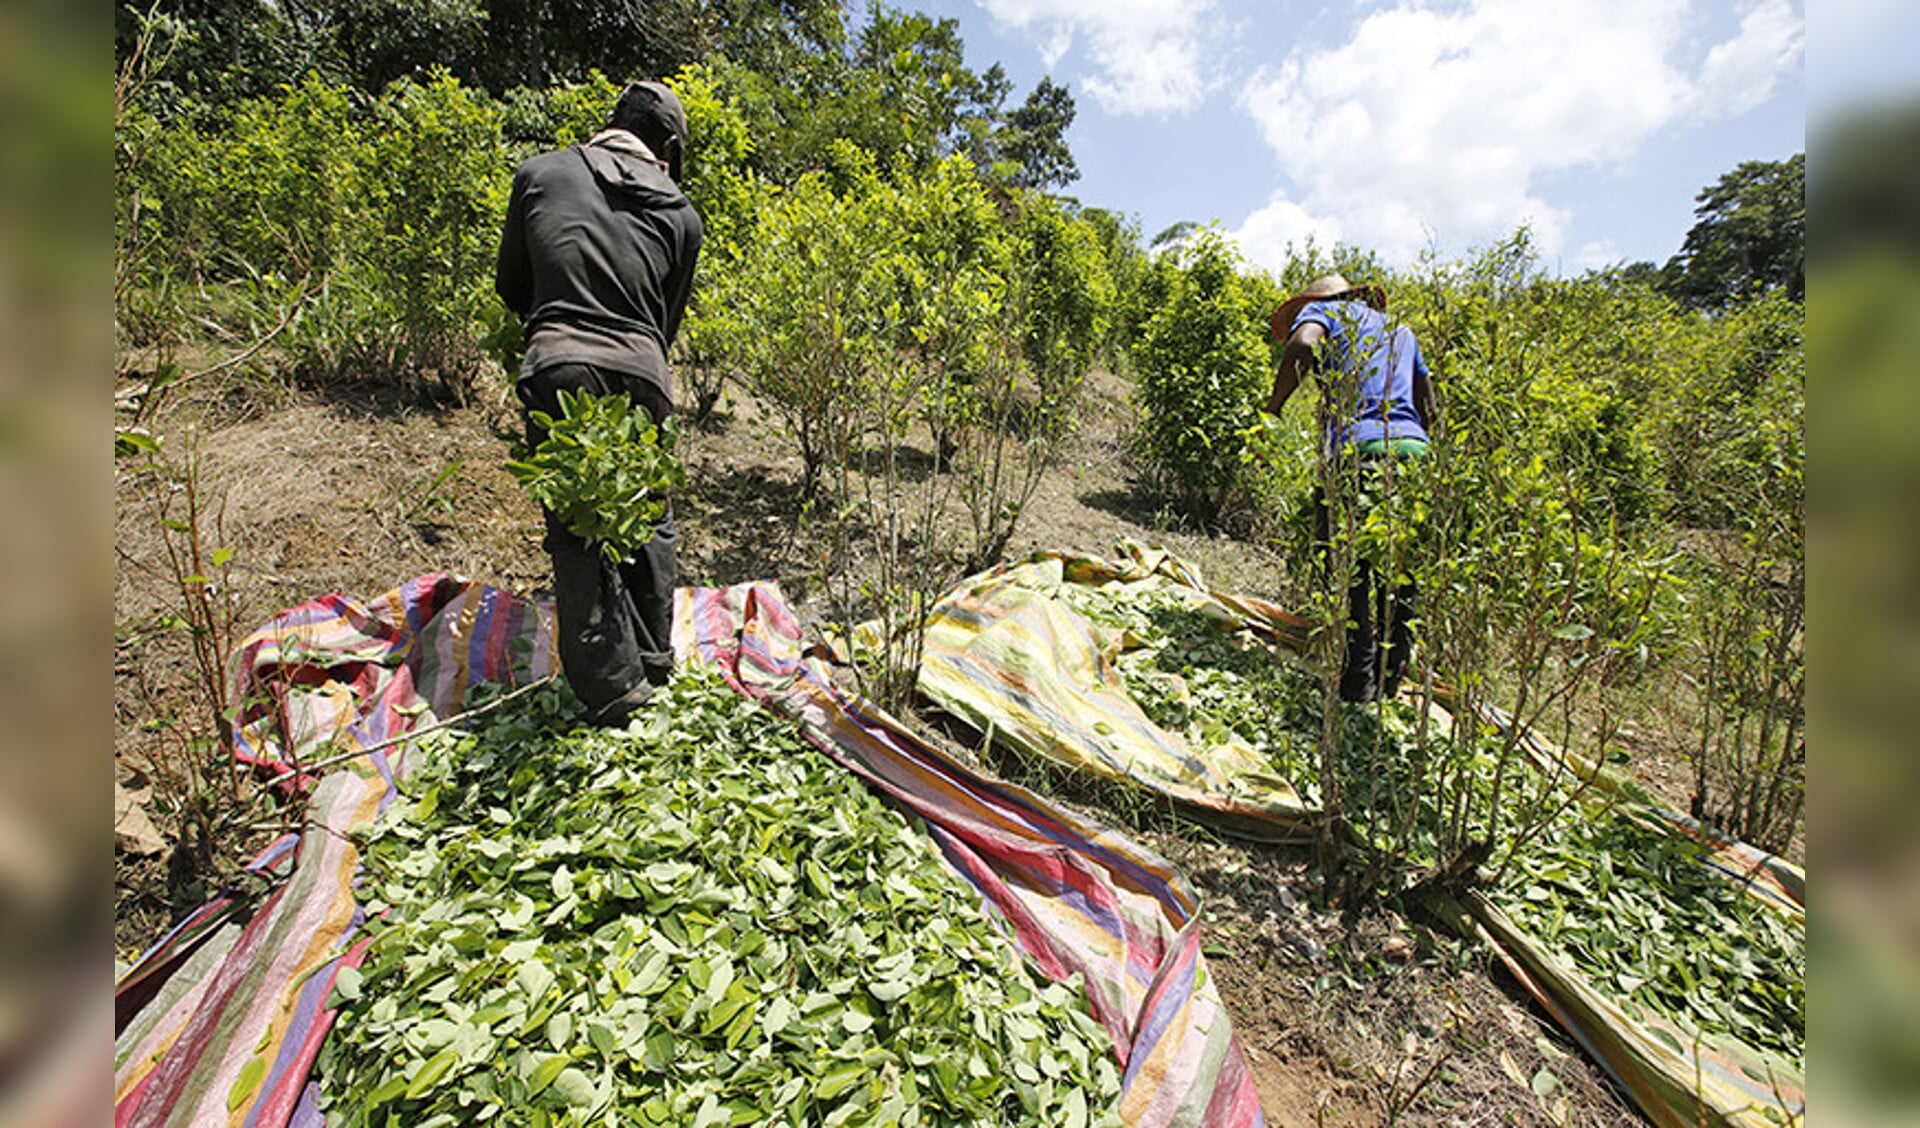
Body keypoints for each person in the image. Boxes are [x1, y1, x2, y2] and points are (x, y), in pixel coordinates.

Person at [495, 81, 704, 725]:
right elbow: (661, 323)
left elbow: (512, 285)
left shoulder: (540, 174)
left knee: (579, 527)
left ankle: (613, 691)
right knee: (648, 516)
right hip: (644, 372)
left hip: (558, 362)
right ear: (666, 147)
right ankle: (652, 658)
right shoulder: (681, 215)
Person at [1264, 274, 1439, 703]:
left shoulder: (1324, 312)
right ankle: (1391, 679)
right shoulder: (1400, 331)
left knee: (1348, 565)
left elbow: (1303, 345)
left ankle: (1358, 683)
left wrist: (1273, 409)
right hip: (1414, 451)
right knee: (1403, 570)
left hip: (1359, 449)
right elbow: (1430, 404)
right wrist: (1410, 441)